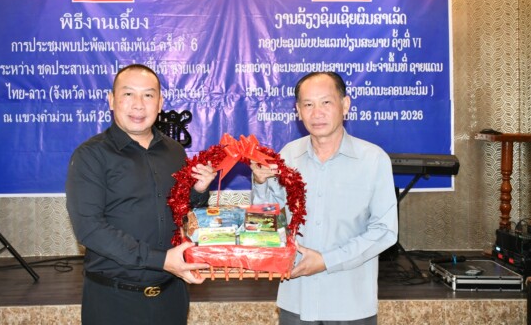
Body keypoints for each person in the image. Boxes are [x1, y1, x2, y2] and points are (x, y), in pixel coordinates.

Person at [66, 63, 216, 325]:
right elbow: (89, 228)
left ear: (160, 103)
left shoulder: (174, 151)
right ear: (111, 100)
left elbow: (182, 213)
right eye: (128, 94)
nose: (138, 105)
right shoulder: (90, 156)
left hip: (171, 296)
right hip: (114, 302)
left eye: (148, 95)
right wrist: (161, 260)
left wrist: (198, 192)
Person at [251, 71, 398, 325]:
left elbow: (384, 231)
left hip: (351, 306)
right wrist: (261, 183)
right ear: (298, 111)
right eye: (308, 105)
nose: (316, 113)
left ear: (345, 105)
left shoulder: (374, 160)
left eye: (326, 102)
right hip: (296, 302)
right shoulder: (287, 156)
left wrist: (326, 261)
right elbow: (266, 225)